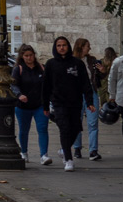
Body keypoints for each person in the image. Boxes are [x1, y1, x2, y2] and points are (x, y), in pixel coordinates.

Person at [42, 36, 96, 172]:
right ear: (55, 47)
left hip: (75, 102)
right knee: (65, 128)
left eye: (64, 45)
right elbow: (46, 86)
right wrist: (45, 105)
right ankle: (69, 159)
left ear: (68, 46)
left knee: (76, 128)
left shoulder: (77, 63)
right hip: (58, 103)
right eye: (59, 45)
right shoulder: (50, 64)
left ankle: (63, 149)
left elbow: (85, 83)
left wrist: (89, 102)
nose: (61, 48)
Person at [12, 44, 50, 165]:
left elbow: (47, 84)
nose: (29, 58)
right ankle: (24, 152)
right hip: (23, 106)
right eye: (26, 56)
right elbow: (13, 84)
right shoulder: (19, 69)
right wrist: (19, 95)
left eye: (31, 55)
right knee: (24, 129)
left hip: (39, 104)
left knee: (43, 128)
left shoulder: (41, 68)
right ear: (22, 57)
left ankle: (44, 155)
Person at [73, 38, 102, 160]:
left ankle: (93, 150)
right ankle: (77, 148)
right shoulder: (72, 61)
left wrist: (102, 71)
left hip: (90, 91)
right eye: (87, 46)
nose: (89, 48)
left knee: (93, 121)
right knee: (76, 121)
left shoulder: (92, 60)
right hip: (76, 92)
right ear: (80, 47)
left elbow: (99, 76)